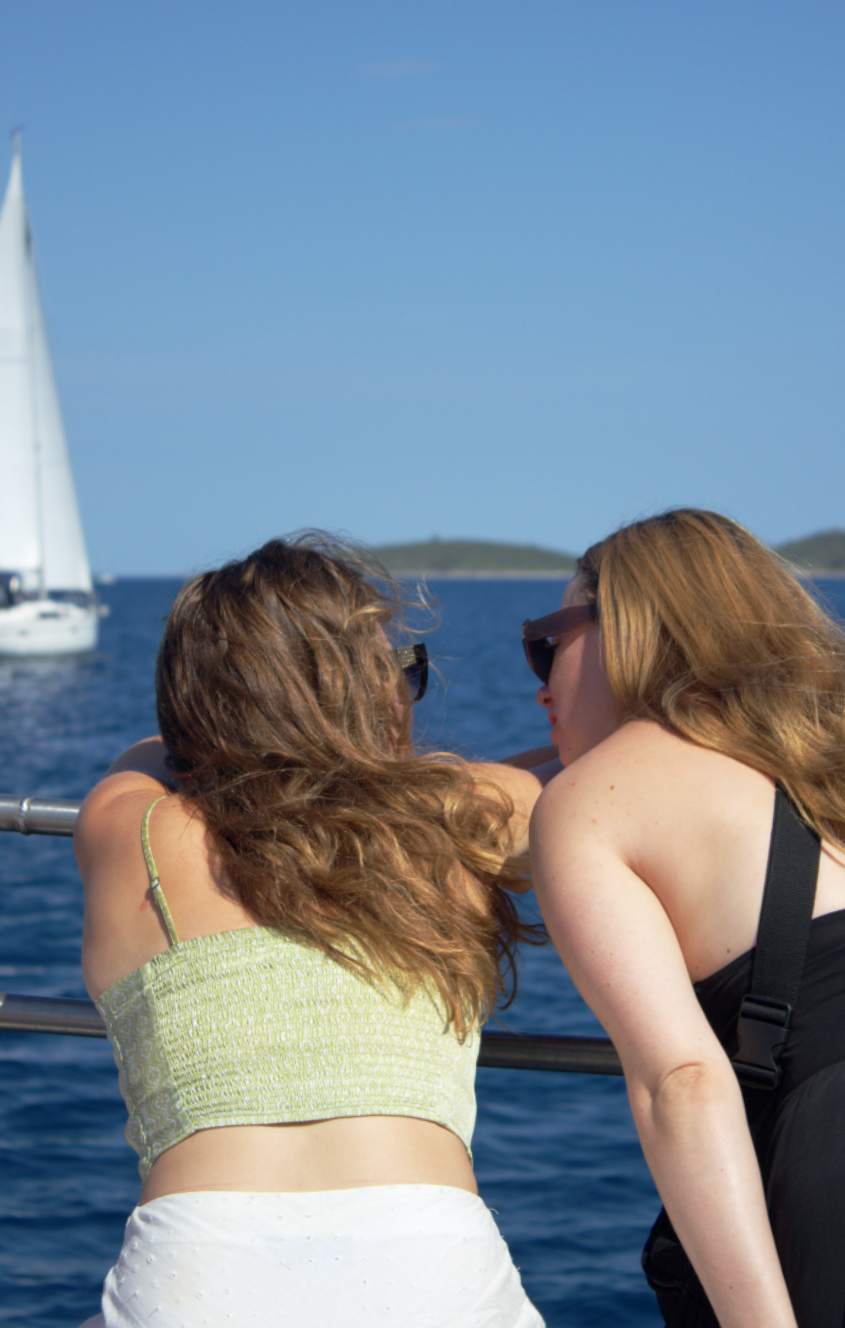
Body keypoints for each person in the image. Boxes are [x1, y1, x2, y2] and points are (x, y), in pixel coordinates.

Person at [525, 508, 845, 1328]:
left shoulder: (592, 802)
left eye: (547, 641)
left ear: (627, 629)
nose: (537, 683)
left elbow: (683, 1082)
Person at [75, 533, 551, 1328]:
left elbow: (141, 756)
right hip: (430, 1269)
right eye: (396, 674)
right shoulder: (468, 815)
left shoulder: (132, 827)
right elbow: (593, 769)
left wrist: (255, 737)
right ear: (362, 695)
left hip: (197, 1272)